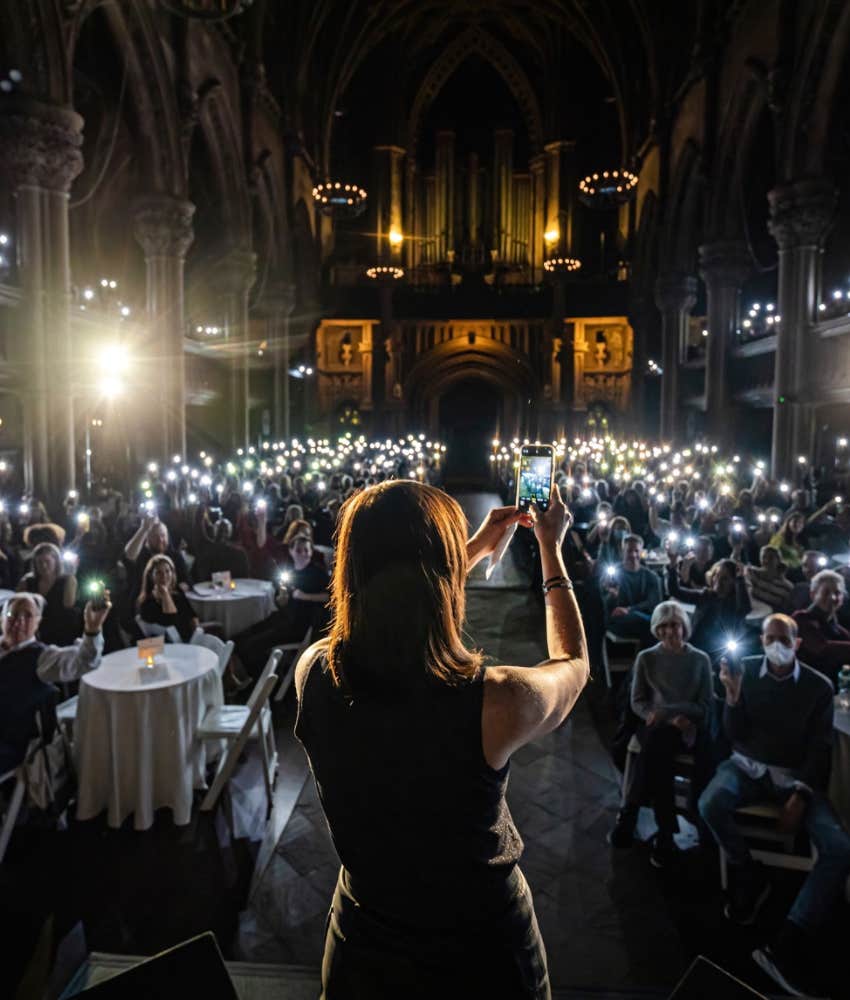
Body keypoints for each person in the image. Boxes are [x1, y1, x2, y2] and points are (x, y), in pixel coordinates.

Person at [294, 481, 589, 997]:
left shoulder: (314, 673)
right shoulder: (498, 702)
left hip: (366, 935)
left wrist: (469, 549)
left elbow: (391, 605)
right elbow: (573, 665)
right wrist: (550, 548)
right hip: (480, 947)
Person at [698, 614, 850, 998]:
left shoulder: (818, 687)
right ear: (761, 641)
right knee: (711, 803)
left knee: (838, 846)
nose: (776, 644)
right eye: (769, 638)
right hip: (746, 767)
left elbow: (820, 749)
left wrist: (800, 794)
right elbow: (734, 736)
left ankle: (790, 938)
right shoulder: (745, 671)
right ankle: (746, 870)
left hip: (793, 777)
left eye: (783, 638)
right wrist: (731, 697)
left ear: (797, 643)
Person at [609, 600, 712, 867]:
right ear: (656, 629)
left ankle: (629, 812)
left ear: (684, 627)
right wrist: (656, 715)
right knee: (658, 746)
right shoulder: (647, 658)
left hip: (684, 727)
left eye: (675, 625)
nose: (669, 631)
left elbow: (704, 706)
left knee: (657, 747)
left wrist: (674, 713)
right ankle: (665, 833)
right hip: (654, 724)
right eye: (663, 626)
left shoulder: (700, 660)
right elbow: (637, 702)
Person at [0, 591, 111, 774]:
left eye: (27, 616)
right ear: (2, 619)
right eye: (12, 615)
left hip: (9, 742)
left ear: (37, 622)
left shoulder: (41, 658)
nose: (19, 622)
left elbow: (84, 661)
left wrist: (92, 629)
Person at [236, 535, 330, 677]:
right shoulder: (291, 572)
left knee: (252, 645)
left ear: (311, 551)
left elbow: (331, 597)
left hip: (298, 626)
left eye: (307, 550)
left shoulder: (318, 573)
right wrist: (282, 599)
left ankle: (258, 680)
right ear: (291, 551)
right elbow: (283, 602)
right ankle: (243, 676)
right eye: (299, 550)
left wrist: (306, 596)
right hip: (283, 618)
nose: (304, 554)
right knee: (241, 636)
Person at [667, 554, 751, 662]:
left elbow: (744, 609)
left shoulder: (736, 601)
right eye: (716, 575)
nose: (719, 581)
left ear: (733, 582)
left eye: (725, 578)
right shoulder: (706, 595)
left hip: (724, 650)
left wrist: (740, 579)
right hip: (698, 646)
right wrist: (673, 566)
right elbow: (675, 591)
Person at [792, 568, 850, 688]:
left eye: (837, 593)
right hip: (804, 690)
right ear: (813, 594)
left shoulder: (840, 631)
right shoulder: (800, 619)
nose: (833, 597)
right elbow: (822, 649)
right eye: (826, 592)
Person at [602, 534, 662, 646]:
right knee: (653, 626)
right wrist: (613, 596)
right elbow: (606, 607)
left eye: (636, 551)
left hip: (643, 618)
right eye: (629, 551)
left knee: (653, 624)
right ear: (622, 552)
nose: (633, 555)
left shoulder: (650, 576)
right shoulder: (613, 574)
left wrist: (629, 609)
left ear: (641, 552)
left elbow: (653, 603)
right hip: (620, 622)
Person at [17, 542, 79, 646]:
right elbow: (17, 605)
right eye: (40, 562)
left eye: (47, 561)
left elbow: (68, 606)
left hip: (61, 630)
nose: (44, 566)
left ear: (56, 562)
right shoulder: (28, 581)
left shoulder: (67, 580)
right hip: (34, 632)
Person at [136, 554, 199, 643]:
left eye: (167, 571)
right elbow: (171, 622)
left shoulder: (177, 592)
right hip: (163, 646)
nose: (164, 576)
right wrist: (165, 594)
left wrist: (197, 635)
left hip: (188, 641)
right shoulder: (146, 601)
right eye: (158, 572)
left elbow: (192, 615)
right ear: (151, 576)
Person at [744, 546, 793, 613]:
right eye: (763, 557)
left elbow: (780, 605)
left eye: (771, 557)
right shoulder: (751, 573)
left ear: (778, 560)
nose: (766, 560)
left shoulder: (786, 586)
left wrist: (757, 582)